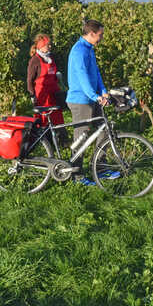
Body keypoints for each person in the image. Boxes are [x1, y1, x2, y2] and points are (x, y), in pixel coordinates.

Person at [66, 19, 109, 184]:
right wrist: (95, 95)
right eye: (100, 35)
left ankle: (100, 167)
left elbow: (95, 72)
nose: (101, 38)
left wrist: (103, 91)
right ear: (91, 34)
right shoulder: (79, 51)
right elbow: (83, 77)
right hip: (80, 100)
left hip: (92, 97)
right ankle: (76, 175)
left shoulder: (89, 49)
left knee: (104, 129)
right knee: (81, 138)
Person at [27, 33, 68, 143]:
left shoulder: (50, 58)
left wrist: (58, 77)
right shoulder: (35, 60)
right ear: (40, 46)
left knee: (58, 120)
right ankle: (44, 144)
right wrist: (32, 96)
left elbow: (53, 74)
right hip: (43, 97)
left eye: (49, 45)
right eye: (47, 45)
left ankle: (63, 144)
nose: (50, 47)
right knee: (44, 122)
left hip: (54, 95)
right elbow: (29, 81)